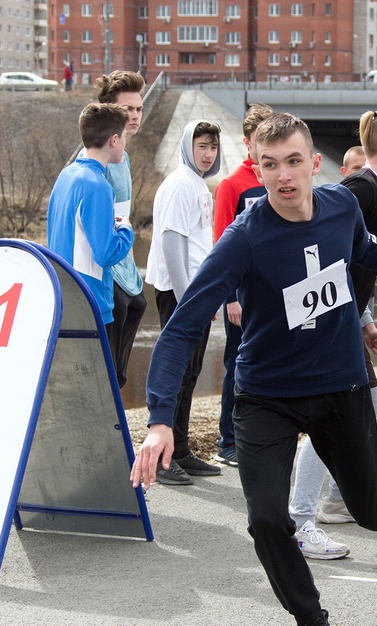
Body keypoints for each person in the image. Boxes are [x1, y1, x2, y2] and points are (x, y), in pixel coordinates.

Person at [129, 112, 377, 626]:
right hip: (266, 394)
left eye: (293, 162)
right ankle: (312, 618)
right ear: (258, 168)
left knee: (367, 506)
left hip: (340, 385)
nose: (283, 176)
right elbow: (180, 328)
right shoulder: (244, 238)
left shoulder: (340, 206)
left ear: (315, 163)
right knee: (267, 520)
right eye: (270, 165)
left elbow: (367, 249)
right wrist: (160, 421)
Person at [289, 112, 377, 552]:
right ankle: (303, 519)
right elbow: (319, 246)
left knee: (365, 403)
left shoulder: (376, 192)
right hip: (327, 323)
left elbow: (356, 265)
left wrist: (364, 323)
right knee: (327, 417)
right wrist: (325, 317)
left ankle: (337, 500)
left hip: (344, 321)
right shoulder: (361, 188)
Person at [144, 119, 222, 486]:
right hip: (181, 295)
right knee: (176, 373)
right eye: (201, 146)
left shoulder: (197, 185)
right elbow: (172, 243)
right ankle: (163, 458)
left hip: (196, 293)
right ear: (187, 145)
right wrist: (185, 298)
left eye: (213, 147)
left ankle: (181, 450)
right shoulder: (178, 185)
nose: (208, 154)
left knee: (190, 374)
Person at [212, 103, 275, 468]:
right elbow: (222, 245)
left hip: (274, 291)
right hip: (242, 295)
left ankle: (260, 435)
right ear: (247, 142)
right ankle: (228, 441)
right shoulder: (232, 185)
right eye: (258, 140)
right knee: (236, 364)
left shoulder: (276, 180)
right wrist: (231, 298)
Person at [46, 103, 134, 326]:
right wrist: (126, 230)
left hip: (62, 296)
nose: (124, 143)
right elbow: (106, 254)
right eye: (124, 137)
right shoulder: (99, 186)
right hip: (90, 304)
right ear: (114, 140)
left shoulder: (66, 175)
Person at [91, 70, 148, 390]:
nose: (135, 116)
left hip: (124, 264)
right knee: (106, 366)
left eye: (139, 109)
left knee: (138, 305)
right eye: (128, 109)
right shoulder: (96, 160)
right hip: (105, 268)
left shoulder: (122, 157)